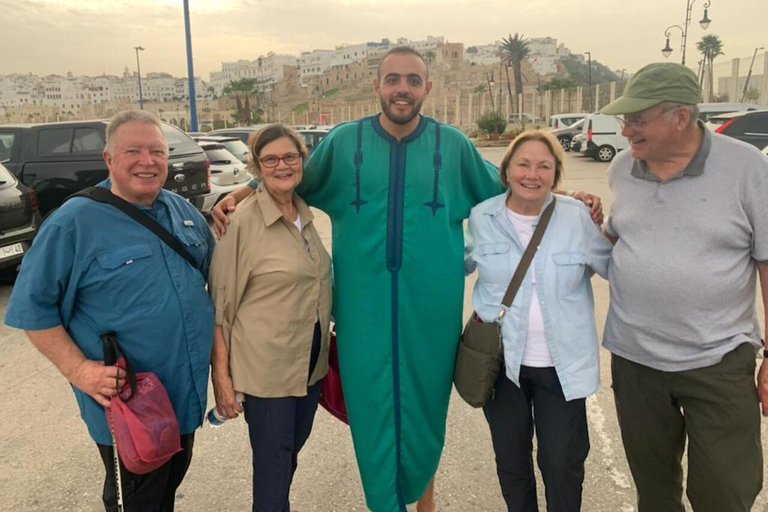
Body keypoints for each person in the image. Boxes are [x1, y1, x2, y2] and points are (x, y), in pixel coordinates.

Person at [212, 47, 603, 512]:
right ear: (377, 86)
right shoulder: (344, 142)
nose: (403, 88)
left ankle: (423, 504)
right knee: (373, 415)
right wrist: (244, 188)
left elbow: (510, 186)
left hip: (430, 311)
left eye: (413, 80)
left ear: (427, 88)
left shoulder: (452, 144)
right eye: (393, 79)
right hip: (363, 312)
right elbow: (292, 177)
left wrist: (569, 196)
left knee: (423, 413)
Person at [4, 110, 215, 511]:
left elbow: (219, 283)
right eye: (132, 150)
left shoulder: (183, 212)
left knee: (164, 489)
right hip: (130, 403)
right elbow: (33, 308)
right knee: (135, 501)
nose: (146, 161)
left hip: (183, 394)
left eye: (156, 151)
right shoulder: (73, 223)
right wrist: (80, 371)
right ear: (108, 159)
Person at [600, 62, 768, 512]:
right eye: (625, 118)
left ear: (680, 117)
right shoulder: (621, 167)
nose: (626, 128)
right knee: (654, 492)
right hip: (635, 362)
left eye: (638, 118)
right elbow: (616, 239)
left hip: (717, 359)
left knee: (724, 492)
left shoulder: (747, 167)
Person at [465, 130, 612, 512]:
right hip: (502, 366)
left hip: (562, 367)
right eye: (523, 164)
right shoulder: (483, 216)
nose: (532, 174)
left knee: (562, 465)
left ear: (556, 174)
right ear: (507, 170)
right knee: (512, 465)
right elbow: (449, 267)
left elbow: (613, 266)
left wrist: (609, 221)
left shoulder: (576, 216)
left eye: (544, 166)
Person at [207, 124, 332, 511]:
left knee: (287, 461)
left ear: (302, 161)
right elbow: (220, 309)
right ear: (257, 166)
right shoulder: (240, 222)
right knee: (273, 470)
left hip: (309, 366)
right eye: (271, 159)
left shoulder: (304, 213)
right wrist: (223, 381)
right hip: (266, 373)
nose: (282, 165)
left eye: (290, 157)